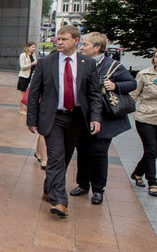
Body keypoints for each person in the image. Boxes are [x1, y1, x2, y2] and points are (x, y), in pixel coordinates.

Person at [26, 25, 102, 218]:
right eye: (58, 39)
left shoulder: (88, 63)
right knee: (57, 157)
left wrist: (95, 118)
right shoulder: (46, 62)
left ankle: (48, 187)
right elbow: (34, 93)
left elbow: (94, 95)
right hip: (54, 117)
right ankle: (60, 201)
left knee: (65, 158)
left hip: (76, 118)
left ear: (76, 41)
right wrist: (31, 119)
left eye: (64, 39)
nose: (59, 42)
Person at [70, 32, 136, 205]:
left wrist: (115, 85)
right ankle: (83, 184)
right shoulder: (80, 62)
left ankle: (98, 189)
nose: (81, 47)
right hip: (83, 116)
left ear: (97, 48)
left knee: (99, 153)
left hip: (105, 119)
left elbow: (132, 83)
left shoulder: (113, 66)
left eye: (85, 44)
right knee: (83, 152)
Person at [131, 49, 157, 196]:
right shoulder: (144, 74)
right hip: (146, 116)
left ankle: (138, 172)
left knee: (154, 151)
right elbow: (133, 95)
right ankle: (152, 182)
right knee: (151, 150)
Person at [17, 42, 37, 115]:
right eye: (32, 47)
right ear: (28, 47)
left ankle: (26, 108)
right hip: (24, 77)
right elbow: (22, 67)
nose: (34, 49)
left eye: (34, 47)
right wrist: (32, 64)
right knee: (23, 94)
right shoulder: (23, 55)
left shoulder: (33, 55)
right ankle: (21, 109)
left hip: (31, 77)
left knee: (29, 94)